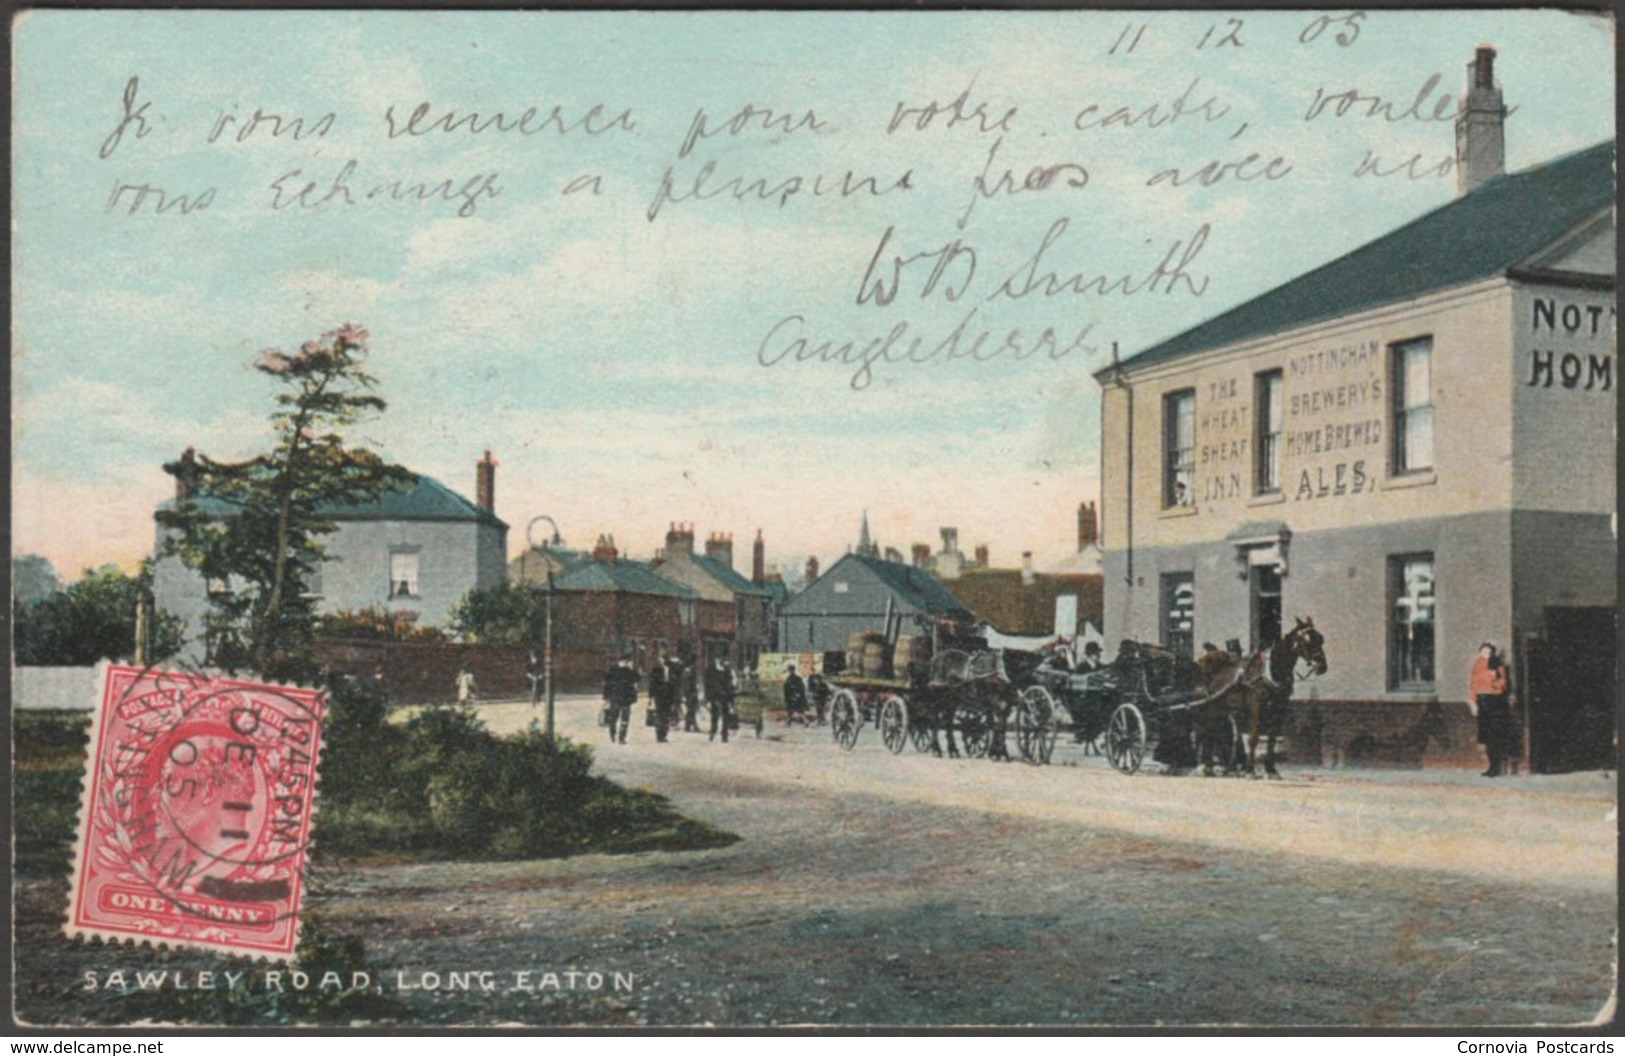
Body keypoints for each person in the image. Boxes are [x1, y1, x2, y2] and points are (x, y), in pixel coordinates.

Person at [1469, 642, 1514, 777]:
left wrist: (1494, 686)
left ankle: (1497, 767)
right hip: (1482, 701)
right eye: (1483, 652)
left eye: (1488, 652)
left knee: (1495, 734)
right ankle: (1491, 766)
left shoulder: (1496, 663)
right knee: (1486, 736)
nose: (1486, 655)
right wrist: (1473, 702)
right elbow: (1473, 684)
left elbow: (1503, 682)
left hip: (1493, 701)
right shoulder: (1477, 664)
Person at [602, 656, 638, 744]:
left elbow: (637, 679)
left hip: (625, 699)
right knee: (614, 717)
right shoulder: (613, 670)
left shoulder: (629, 671)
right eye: (624, 662)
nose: (625, 663)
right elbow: (607, 685)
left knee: (624, 718)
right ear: (620, 662)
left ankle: (621, 737)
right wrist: (607, 697)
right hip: (616, 698)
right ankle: (613, 733)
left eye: (627, 662)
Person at [706, 658, 736, 743]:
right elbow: (708, 684)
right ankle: (713, 731)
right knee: (714, 716)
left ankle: (724, 735)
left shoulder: (727, 670)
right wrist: (708, 698)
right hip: (715, 696)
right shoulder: (711, 670)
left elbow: (730, 684)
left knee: (725, 716)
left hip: (725, 696)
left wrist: (730, 697)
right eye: (717, 659)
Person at [681, 659, 701, 732]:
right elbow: (687, 684)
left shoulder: (692, 670)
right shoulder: (689, 671)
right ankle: (690, 725)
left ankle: (689, 725)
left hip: (691, 693)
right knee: (691, 710)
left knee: (692, 710)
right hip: (689, 693)